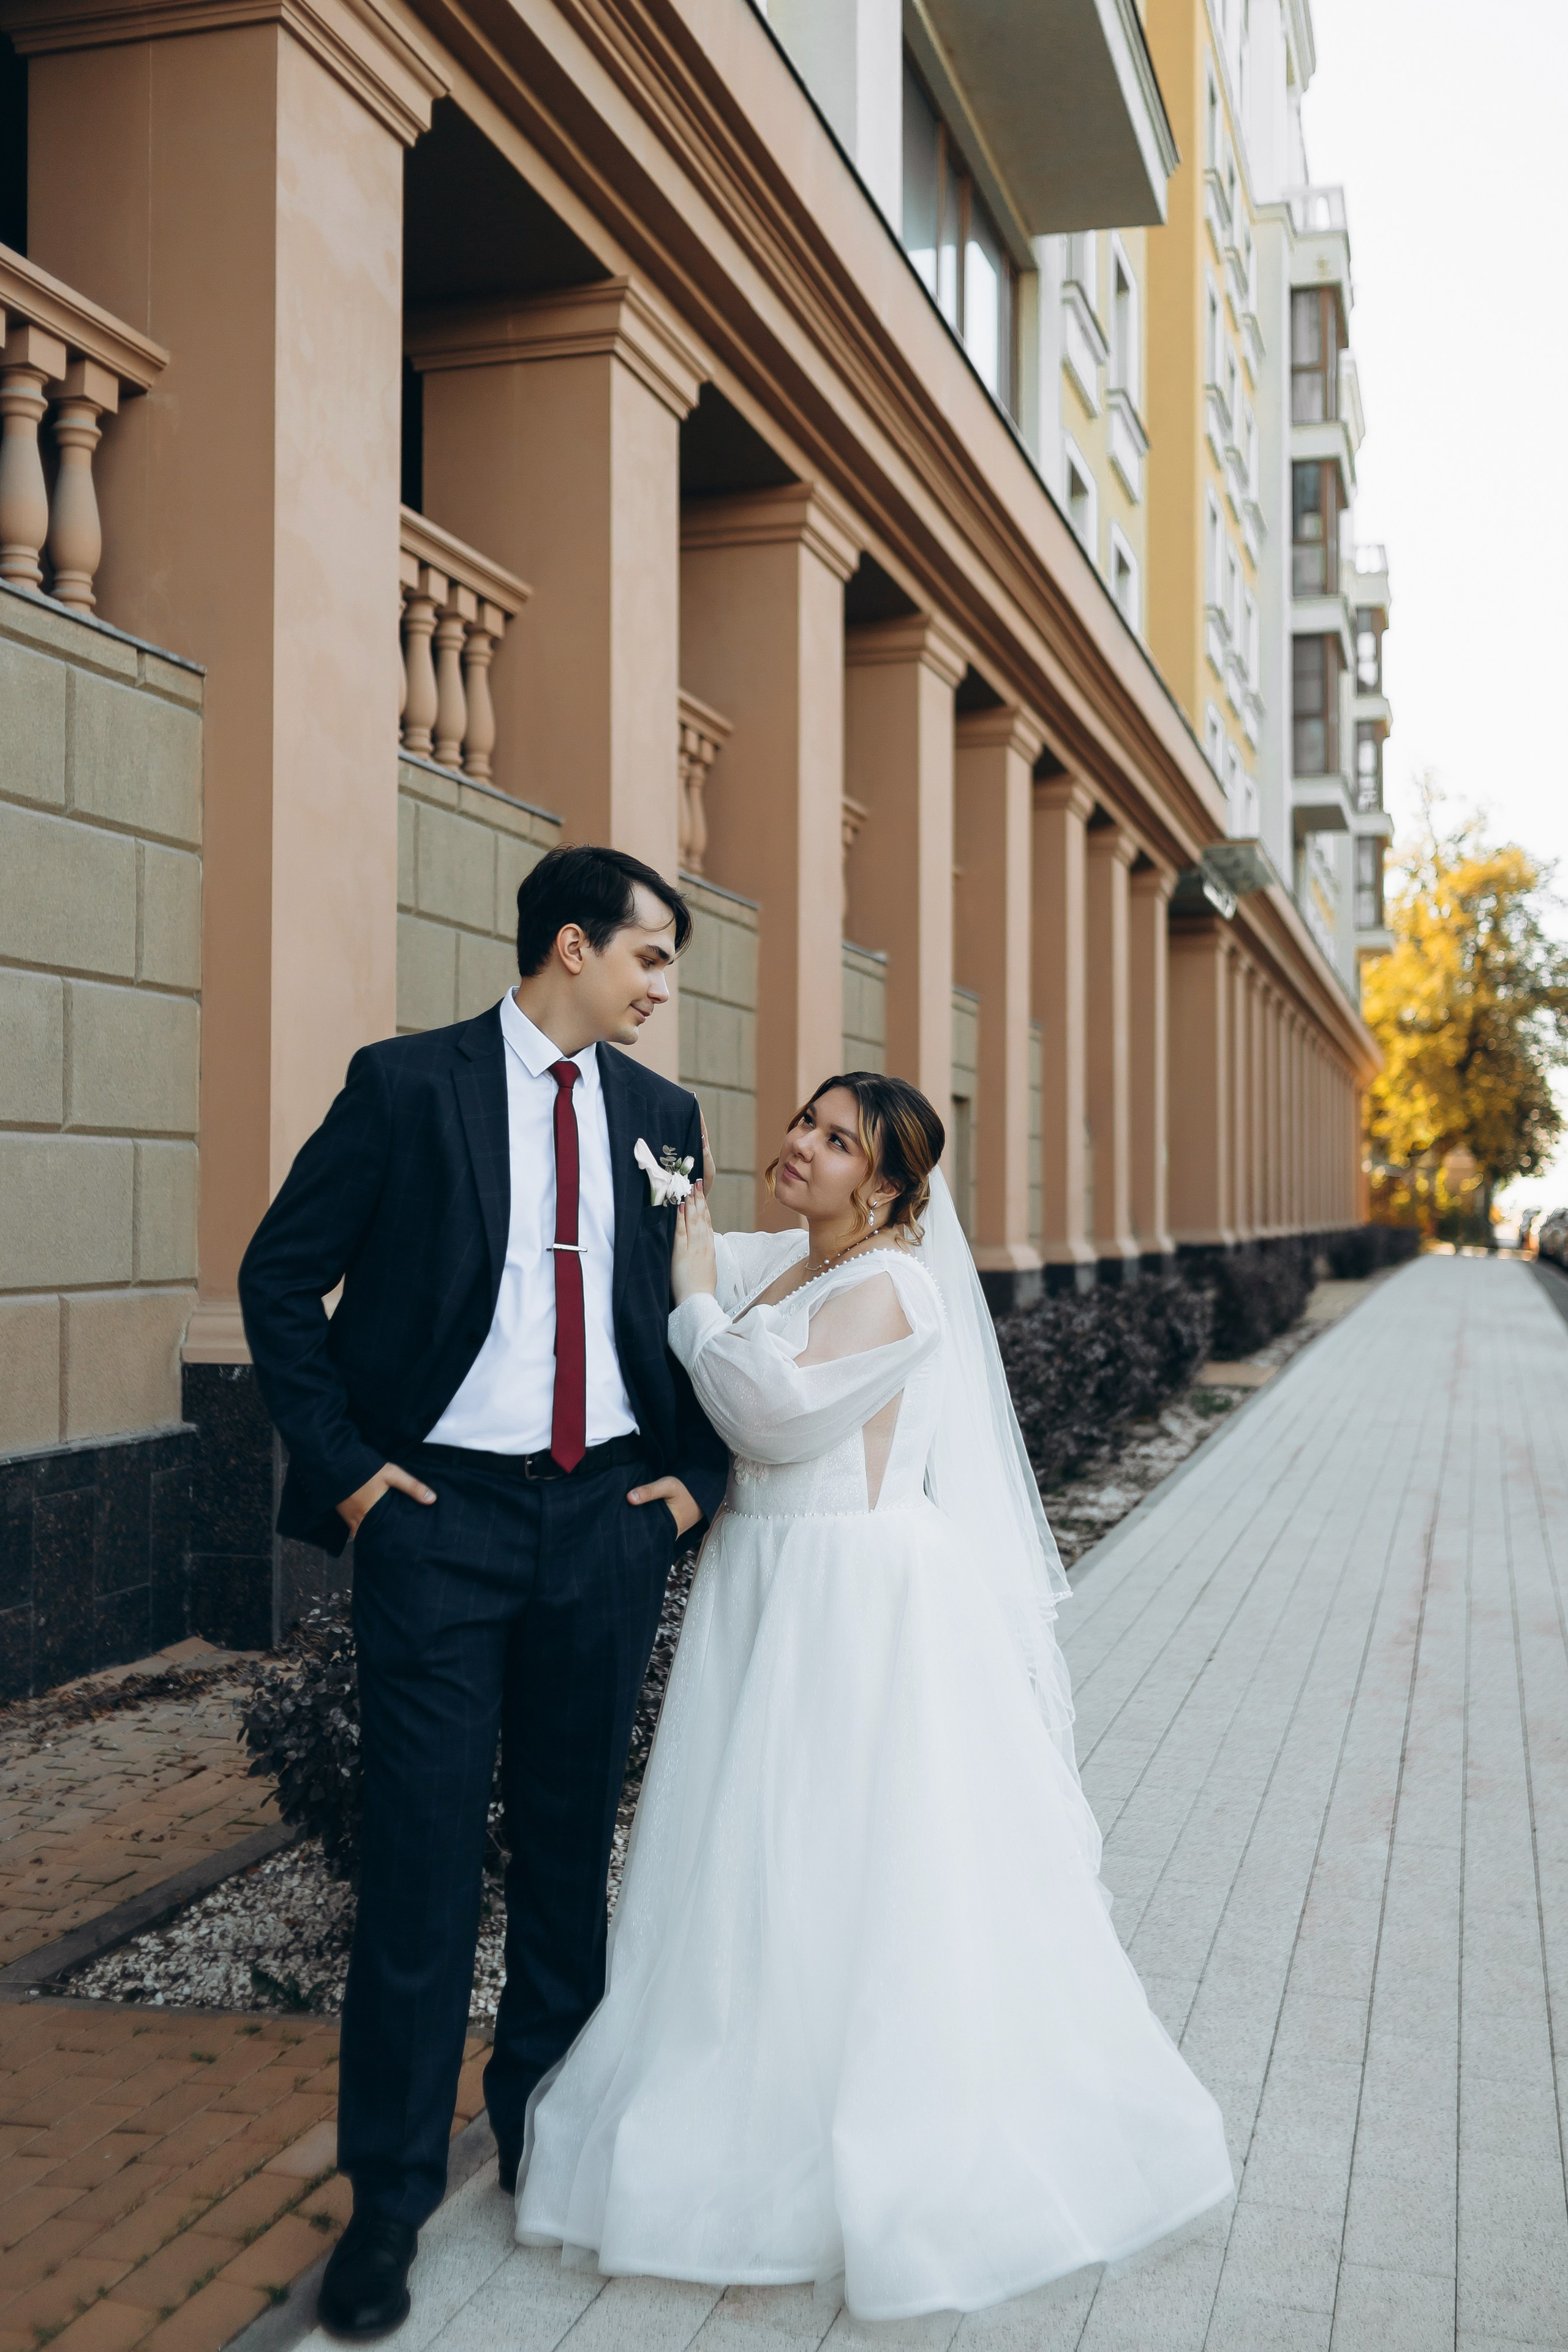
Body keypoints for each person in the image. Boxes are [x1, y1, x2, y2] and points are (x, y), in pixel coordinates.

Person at [516, 1072, 1234, 2320]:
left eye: (836, 1142)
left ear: (890, 1188)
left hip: (849, 1602)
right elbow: (688, 1236)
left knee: (844, 1860)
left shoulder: (894, 1288)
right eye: (804, 1121)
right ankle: (735, 2084)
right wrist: (661, 1197)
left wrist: (692, 1306)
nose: (800, 1145)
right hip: (770, 1586)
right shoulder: (795, 1264)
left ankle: (864, 2129)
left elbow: (762, 1409)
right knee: (746, 1854)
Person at [238, 845, 728, 2339]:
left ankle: (544, 2147)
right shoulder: (403, 1087)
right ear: (570, 946)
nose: (660, 990)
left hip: (602, 1524)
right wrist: (351, 1475)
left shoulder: (663, 1118)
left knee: (570, 1858)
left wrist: (690, 1476)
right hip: (437, 1524)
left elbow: (694, 1305)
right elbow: (278, 1279)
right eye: (648, 959)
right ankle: (387, 2206)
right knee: (424, 1868)